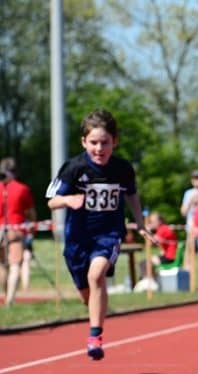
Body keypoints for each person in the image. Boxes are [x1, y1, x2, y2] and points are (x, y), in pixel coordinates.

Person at [46, 109, 156, 360]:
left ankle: (95, 336)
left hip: (108, 234)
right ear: (84, 142)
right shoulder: (73, 168)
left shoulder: (122, 169)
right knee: (87, 293)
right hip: (77, 238)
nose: (99, 148)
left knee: (97, 276)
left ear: (114, 142)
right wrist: (69, 199)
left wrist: (140, 223)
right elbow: (51, 202)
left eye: (105, 142)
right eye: (93, 142)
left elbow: (131, 195)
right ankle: (96, 311)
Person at [0, 157, 37, 305]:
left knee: (2, 264)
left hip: (1, 230)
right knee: (15, 264)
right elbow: (30, 213)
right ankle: (10, 299)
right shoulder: (22, 189)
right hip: (16, 229)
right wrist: (32, 229)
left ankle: (5, 295)